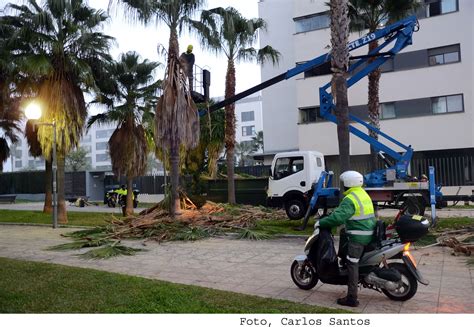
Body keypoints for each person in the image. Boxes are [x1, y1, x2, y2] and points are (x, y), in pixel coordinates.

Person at [317, 170, 376, 307]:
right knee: (343, 233)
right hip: (367, 232)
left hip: (359, 237)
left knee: (352, 263)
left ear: (348, 183)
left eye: (343, 183)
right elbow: (343, 212)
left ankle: (352, 297)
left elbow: (338, 218)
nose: (342, 185)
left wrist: (321, 222)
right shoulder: (362, 194)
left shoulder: (350, 198)